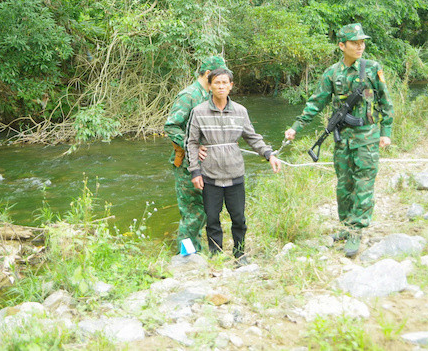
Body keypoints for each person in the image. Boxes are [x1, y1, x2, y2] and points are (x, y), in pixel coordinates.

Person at [284, 23, 393, 257]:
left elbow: (385, 101)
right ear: (342, 46)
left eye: (362, 42)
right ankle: (346, 225)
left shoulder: (372, 68)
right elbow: (316, 102)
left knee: (363, 183)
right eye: (355, 43)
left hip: (367, 137)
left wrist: (386, 131)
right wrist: (296, 127)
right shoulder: (332, 73)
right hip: (342, 138)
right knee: (344, 185)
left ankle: (356, 230)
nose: (360, 46)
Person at [185, 67, 282, 264]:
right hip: (209, 174)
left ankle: (239, 254)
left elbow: (252, 137)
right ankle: (216, 255)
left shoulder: (240, 111)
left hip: (235, 172)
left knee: (238, 218)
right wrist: (195, 171)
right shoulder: (199, 112)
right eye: (217, 83)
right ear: (210, 86)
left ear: (231, 86)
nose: (221, 87)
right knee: (212, 218)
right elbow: (192, 142)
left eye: (224, 83)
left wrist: (269, 154)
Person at [164, 55, 229, 254]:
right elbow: (171, 126)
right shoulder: (189, 96)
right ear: (208, 74)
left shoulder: (208, 95)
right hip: (187, 165)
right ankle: (186, 256)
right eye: (217, 77)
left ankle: (196, 251)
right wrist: (192, 146)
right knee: (192, 213)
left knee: (205, 210)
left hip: (206, 164)